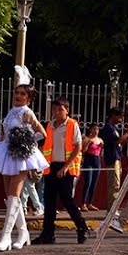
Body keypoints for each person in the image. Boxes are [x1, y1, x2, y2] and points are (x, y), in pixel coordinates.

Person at [0, 69, 50, 251]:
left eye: (22, 94)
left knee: (14, 195)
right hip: (7, 153)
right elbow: (6, 137)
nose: (18, 96)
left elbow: (42, 134)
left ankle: (5, 238)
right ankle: (23, 232)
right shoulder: (11, 112)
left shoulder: (27, 113)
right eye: (17, 93)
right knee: (10, 197)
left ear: (28, 98)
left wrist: (25, 142)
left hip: (21, 156)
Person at [30, 98, 91, 244]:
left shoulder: (72, 124)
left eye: (60, 110)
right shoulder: (50, 126)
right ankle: (48, 233)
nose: (56, 113)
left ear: (67, 110)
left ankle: (82, 227)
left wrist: (65, 167)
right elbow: (44, 145)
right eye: (54, 110)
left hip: (66, 167)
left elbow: (78, 147)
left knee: (67, 200)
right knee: (49, 201)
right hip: (51, 167)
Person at [99, 107, 128, 211]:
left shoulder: (114, 128)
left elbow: (121, 143)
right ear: (113, 116)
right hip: (112, 158)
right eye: (119, 116)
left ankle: (113, 207)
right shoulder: (108, 128)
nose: (121, 119)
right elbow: (117, 142)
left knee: (117, 184)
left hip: (117, 157)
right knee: (114, 185)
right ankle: (112, 209)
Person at [80, 124, 104, 210]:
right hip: (89, 160)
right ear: (90, 130)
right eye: (94, 129)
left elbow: (100, 152)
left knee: (94, 183)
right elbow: (83, 150)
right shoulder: (87, 139)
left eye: (97, 129)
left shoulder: (100, 140)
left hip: (97, 160)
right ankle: (83, 203)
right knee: (88, 182)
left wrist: (101, 147)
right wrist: (88, 144)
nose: (96, 131)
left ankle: (90, 203)